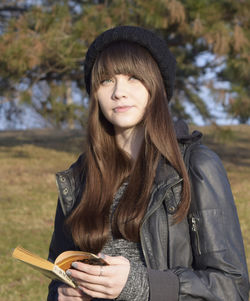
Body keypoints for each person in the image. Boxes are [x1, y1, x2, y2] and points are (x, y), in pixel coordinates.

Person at [47, 26, 249, 301]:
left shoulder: (195, 167)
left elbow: (231, 287)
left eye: (133, 78)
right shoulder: (79, 178)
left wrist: (141, 285)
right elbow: (56, 277)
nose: (119, 92)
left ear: (158, 88)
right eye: (106, 80)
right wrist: (62, 295)